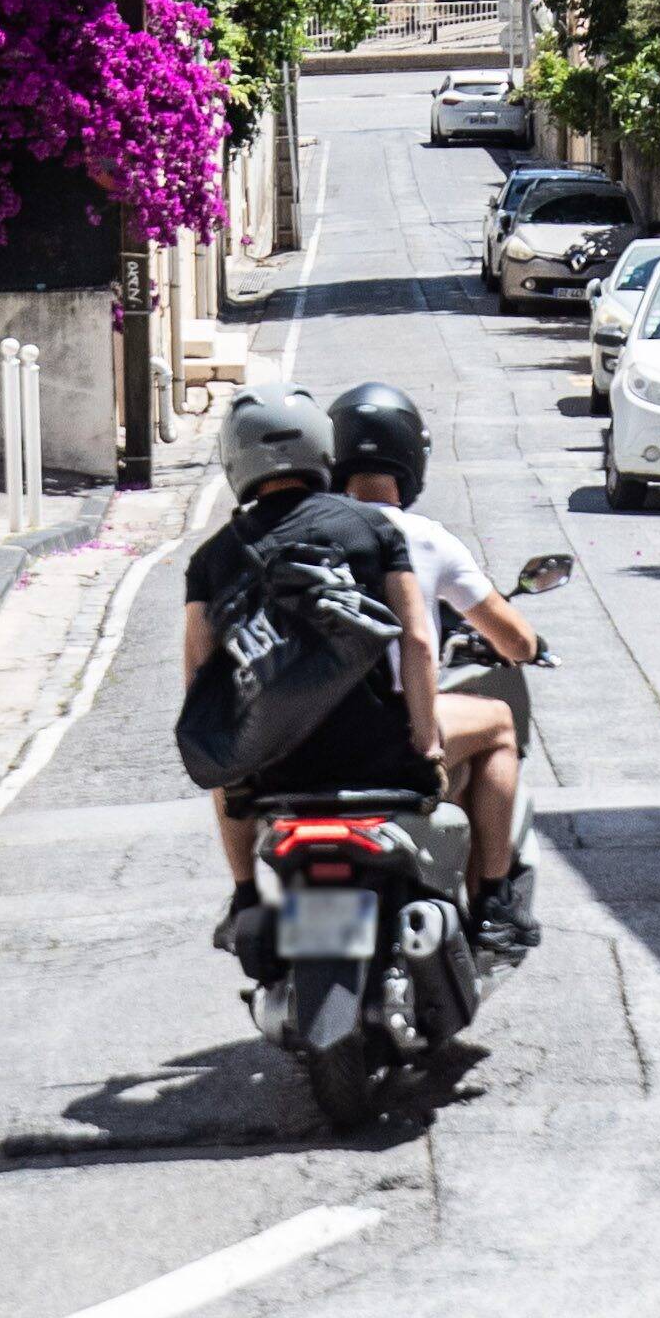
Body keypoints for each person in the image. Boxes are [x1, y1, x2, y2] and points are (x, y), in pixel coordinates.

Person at [187, 387, 438, 967]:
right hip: (377, 758)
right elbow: (419, 641)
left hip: (273, 770)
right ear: (323, 450)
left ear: (235, 462)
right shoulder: (372, 530)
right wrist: (426, 742)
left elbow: (201, 681)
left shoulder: (213, 558)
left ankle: (246, 893)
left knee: (226, 769)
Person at [326, 381, 538, 950]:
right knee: (497, 722)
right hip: (394, 728)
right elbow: (512, 640)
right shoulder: (424, 537)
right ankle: (493, 897)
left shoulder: (304, 532)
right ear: (411, 457)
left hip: (310, 729)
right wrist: (529, 644)